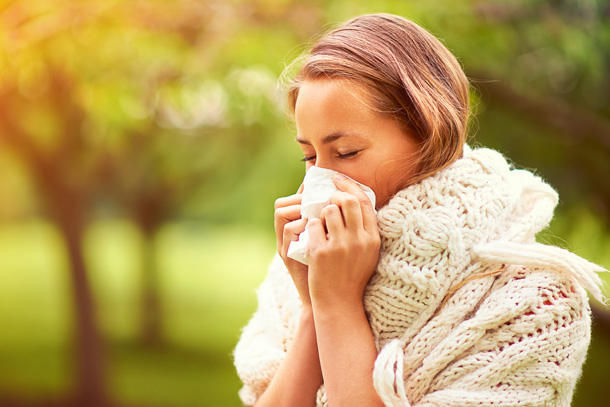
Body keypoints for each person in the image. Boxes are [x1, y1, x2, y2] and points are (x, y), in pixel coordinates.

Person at [233, 13, 607, 407]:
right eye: (309, 156)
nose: (317, 185)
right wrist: (315, 306)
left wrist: (341, 306)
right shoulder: (301, 273)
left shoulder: (534, 302)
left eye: (345, 152)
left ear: (429, 135)